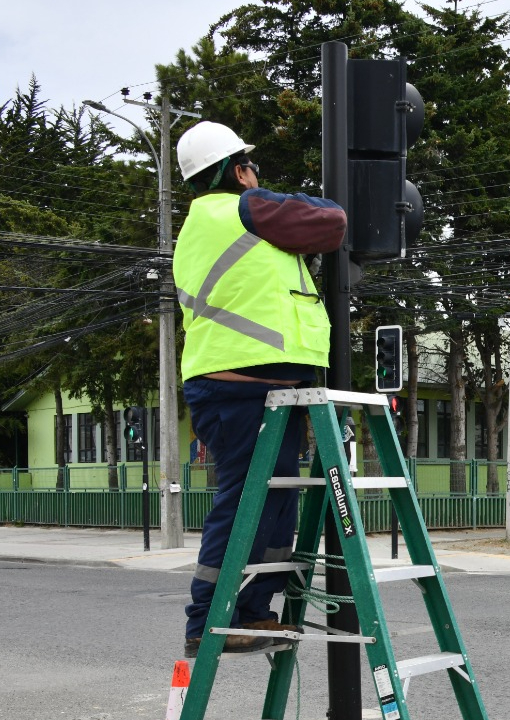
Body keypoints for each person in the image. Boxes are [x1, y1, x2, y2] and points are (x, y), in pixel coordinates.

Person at [173, 121, 346, 658]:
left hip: (262, 387)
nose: (256, 172)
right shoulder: (244, 208)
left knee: (277, 504)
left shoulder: (206, 227)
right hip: (237, 387)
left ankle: (254, 610)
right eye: (249, 164)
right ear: (236, 169)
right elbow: (332, 221)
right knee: (245, 500)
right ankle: (205, 620)